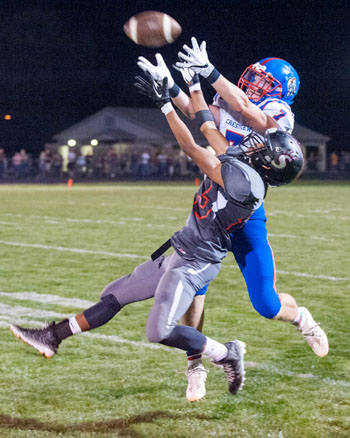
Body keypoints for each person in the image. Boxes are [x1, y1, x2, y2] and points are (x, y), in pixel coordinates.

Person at [10, 72, 303, 398]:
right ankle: (52, 337)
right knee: (114, 294)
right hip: (182, 250)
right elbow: (207, 127)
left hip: (195, 263)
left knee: (158, 331)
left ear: (266, 161)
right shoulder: (242, 164)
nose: (255, 141)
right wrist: (190, 86)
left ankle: (226, 353)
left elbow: (191, 146)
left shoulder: (245, 182)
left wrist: (166, 105)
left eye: (262, 144)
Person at [137, 37, 328, 402]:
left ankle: (301, 317)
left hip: (244, 212)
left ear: (279, 92)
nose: (253, 83)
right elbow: (200, 114)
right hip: (211, 207)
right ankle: (195, 365)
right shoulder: (229, 99)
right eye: (255, 77)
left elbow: (244, 110)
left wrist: (207, 73)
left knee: (267, 304)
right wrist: (170, 87)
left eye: (264, 81)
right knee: (194, 290)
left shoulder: (279, 118)